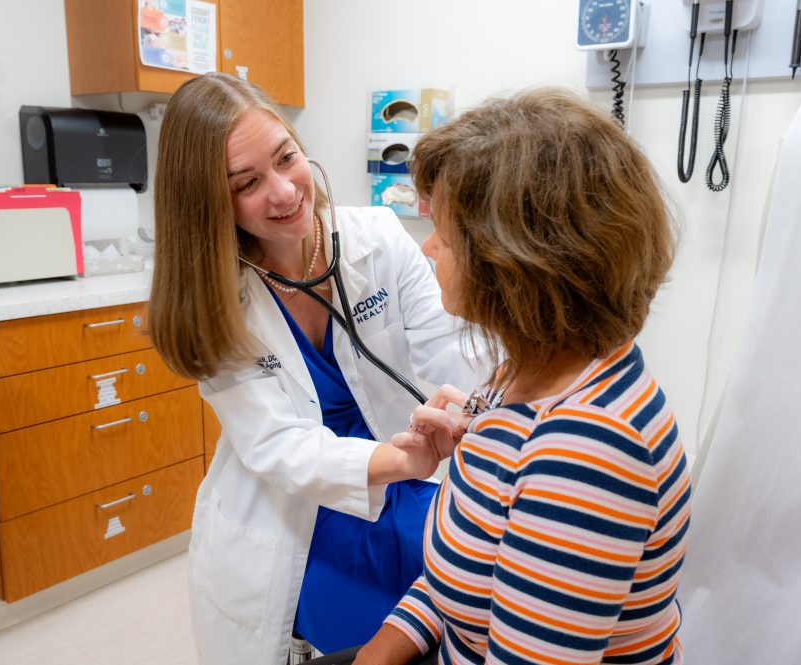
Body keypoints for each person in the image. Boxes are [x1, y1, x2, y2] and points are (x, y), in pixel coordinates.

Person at [148, 73, 482, 665]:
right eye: (248, 183)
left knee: (453, 614)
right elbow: (280, 446)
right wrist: (404, 459)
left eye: (287, 158)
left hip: (404, 474)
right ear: (209, 203)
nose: (283, 192)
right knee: (357, 629)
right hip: (298, 503)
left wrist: (501, 411)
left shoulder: (377, 239)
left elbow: (450, 352)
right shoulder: (213, 298)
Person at [353, 87, 692, 664]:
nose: (429, 248)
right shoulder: (522, 374)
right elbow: (463, 577)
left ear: (514, 264)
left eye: (448, 235)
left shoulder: (588, 453)